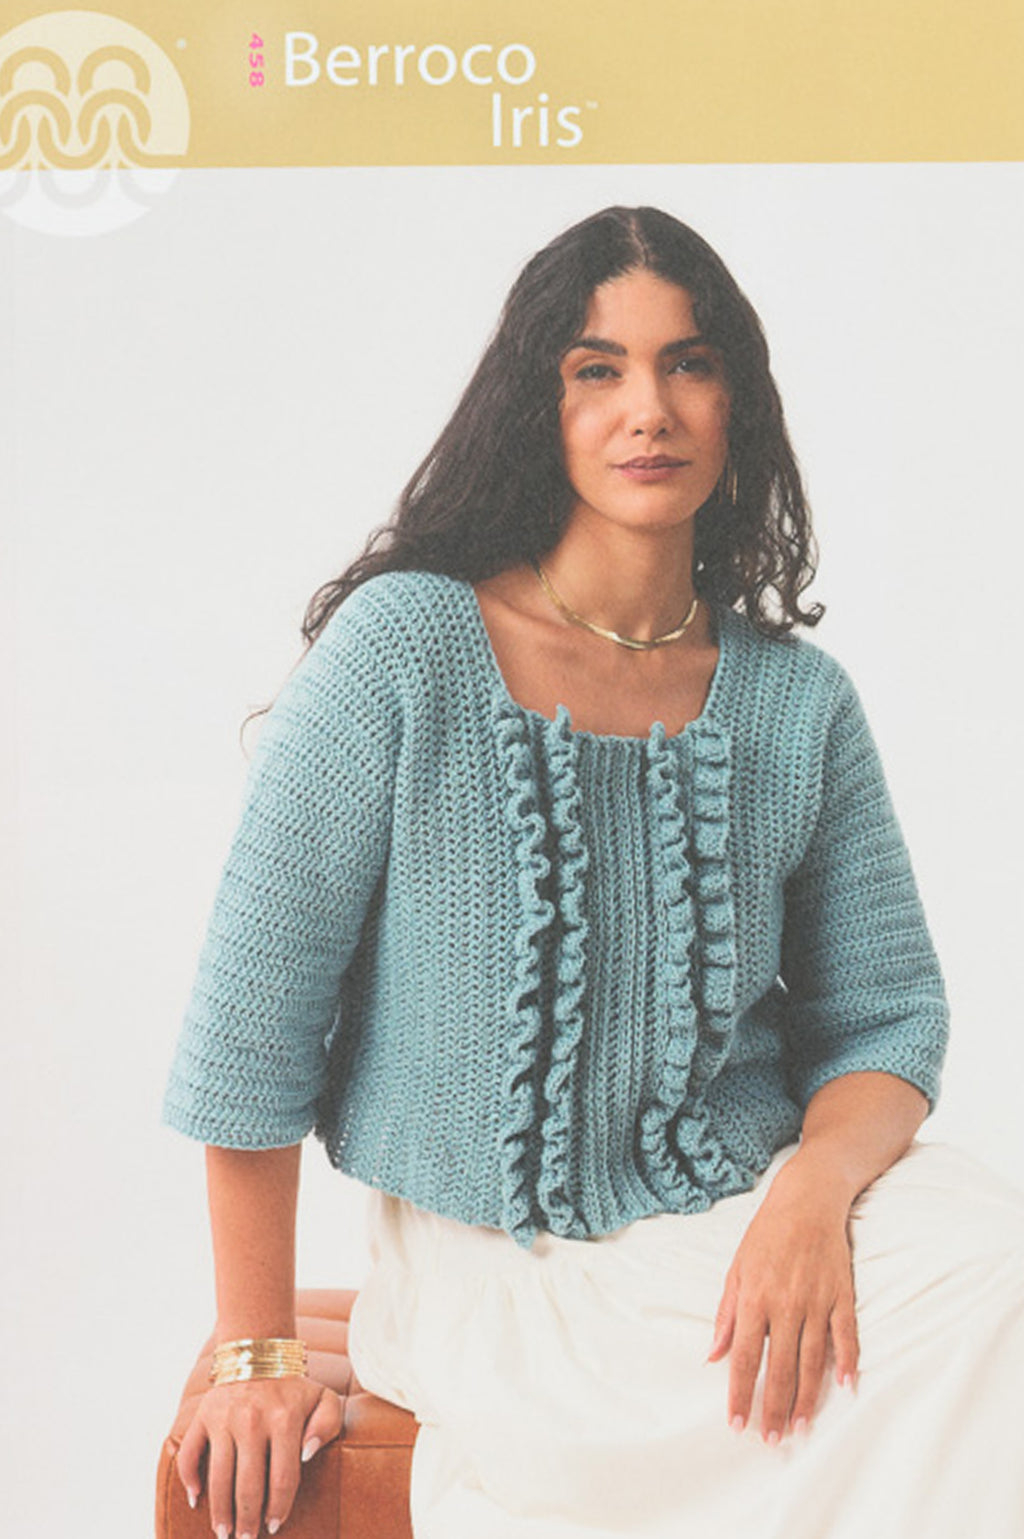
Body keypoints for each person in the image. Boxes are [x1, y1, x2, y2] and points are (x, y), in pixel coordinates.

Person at [163, 206, 1024, 1539]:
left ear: (737, 401)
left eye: (689, 364)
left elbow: (886, 1021)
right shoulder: (407, 651)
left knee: (998, 1265)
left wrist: (810, 1194)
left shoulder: (799, 704)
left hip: (748, 1213)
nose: (649, 410)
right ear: (539, 403)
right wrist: (253, 1352)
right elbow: (249, 1032)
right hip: (507, 1271)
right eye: (598, 369)